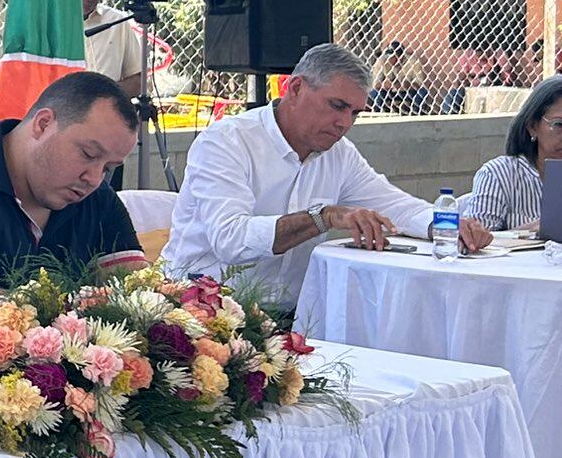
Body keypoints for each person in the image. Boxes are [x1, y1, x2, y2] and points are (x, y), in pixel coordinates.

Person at [164, 42, 492, 307]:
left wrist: (446, 226)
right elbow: (231, 239)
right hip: (199, 313)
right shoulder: (226, 142)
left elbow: (396, 206)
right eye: (337, 106)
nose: (345, 123)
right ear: (294, 88)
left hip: (293, 318)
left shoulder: (339, 153)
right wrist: (323, 217)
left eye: (355, 113)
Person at [0, 71, 145, 291]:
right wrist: (82, 311)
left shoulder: (98, 197)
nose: (94, 179)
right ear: (43, 124)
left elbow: (142, 295)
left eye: (108, 168)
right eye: (88, 154)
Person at [463, 73, 562, 231]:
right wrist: (534, 230)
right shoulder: (499, 175)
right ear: (532, 126)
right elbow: (476, 243)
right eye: (559, 124)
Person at [79, 0, 145, 99]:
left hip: (108, 114)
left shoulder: (118, 22)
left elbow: (138, 81)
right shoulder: (51, 25)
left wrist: (102, 95)